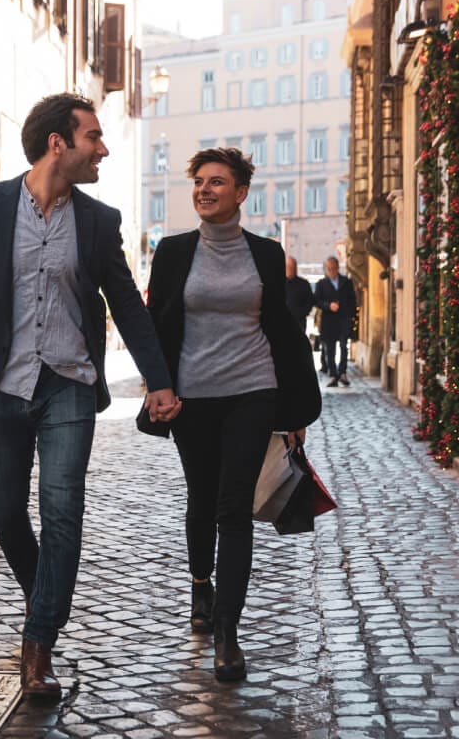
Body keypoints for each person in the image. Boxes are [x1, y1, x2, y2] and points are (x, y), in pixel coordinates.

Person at [0, 93, 180, 700]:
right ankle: (44, 597)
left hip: (68, 385)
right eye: (93, 138)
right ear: (58, 143)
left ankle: (39, 645)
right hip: (0, 384)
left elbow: (126, 304)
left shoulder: (98, 221)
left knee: (62, 511)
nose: (103, 149)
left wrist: (158, 379)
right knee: (5, 513)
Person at [145, 147, 320, 682]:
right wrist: (158, 387)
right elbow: (156, 326)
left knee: (234, 507)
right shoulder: (173, 252)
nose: (205, 189)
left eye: (217, 181)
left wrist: (293, 408)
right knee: (201, 499)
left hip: (252, 391)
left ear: (241, 193)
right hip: (192, 398)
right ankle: (201, 586)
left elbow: (282, 332)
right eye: (199, 181)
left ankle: (227, 631)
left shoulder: (265, 254)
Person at [314, 255, 357, 387]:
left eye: (333, 268)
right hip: (329, 321)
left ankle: (342, 372)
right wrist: (328, 306)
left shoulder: (346, 282)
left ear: (338, 268)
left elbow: (353, 300)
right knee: (329, 350)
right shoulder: (321, 284)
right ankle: (333, 375)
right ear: (326, 269)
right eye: (329, 269)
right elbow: (316, 301)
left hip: (343, 319)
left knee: (344, 347)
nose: (331, 271)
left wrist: (349, 315)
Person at [284, 256, 316, 334]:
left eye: (292, 267)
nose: (290, 269)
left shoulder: (304, 284)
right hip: (282, 322)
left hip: (299, 322)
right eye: (288, 267)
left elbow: (310, 302)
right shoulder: (278, 283)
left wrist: (302, 313)